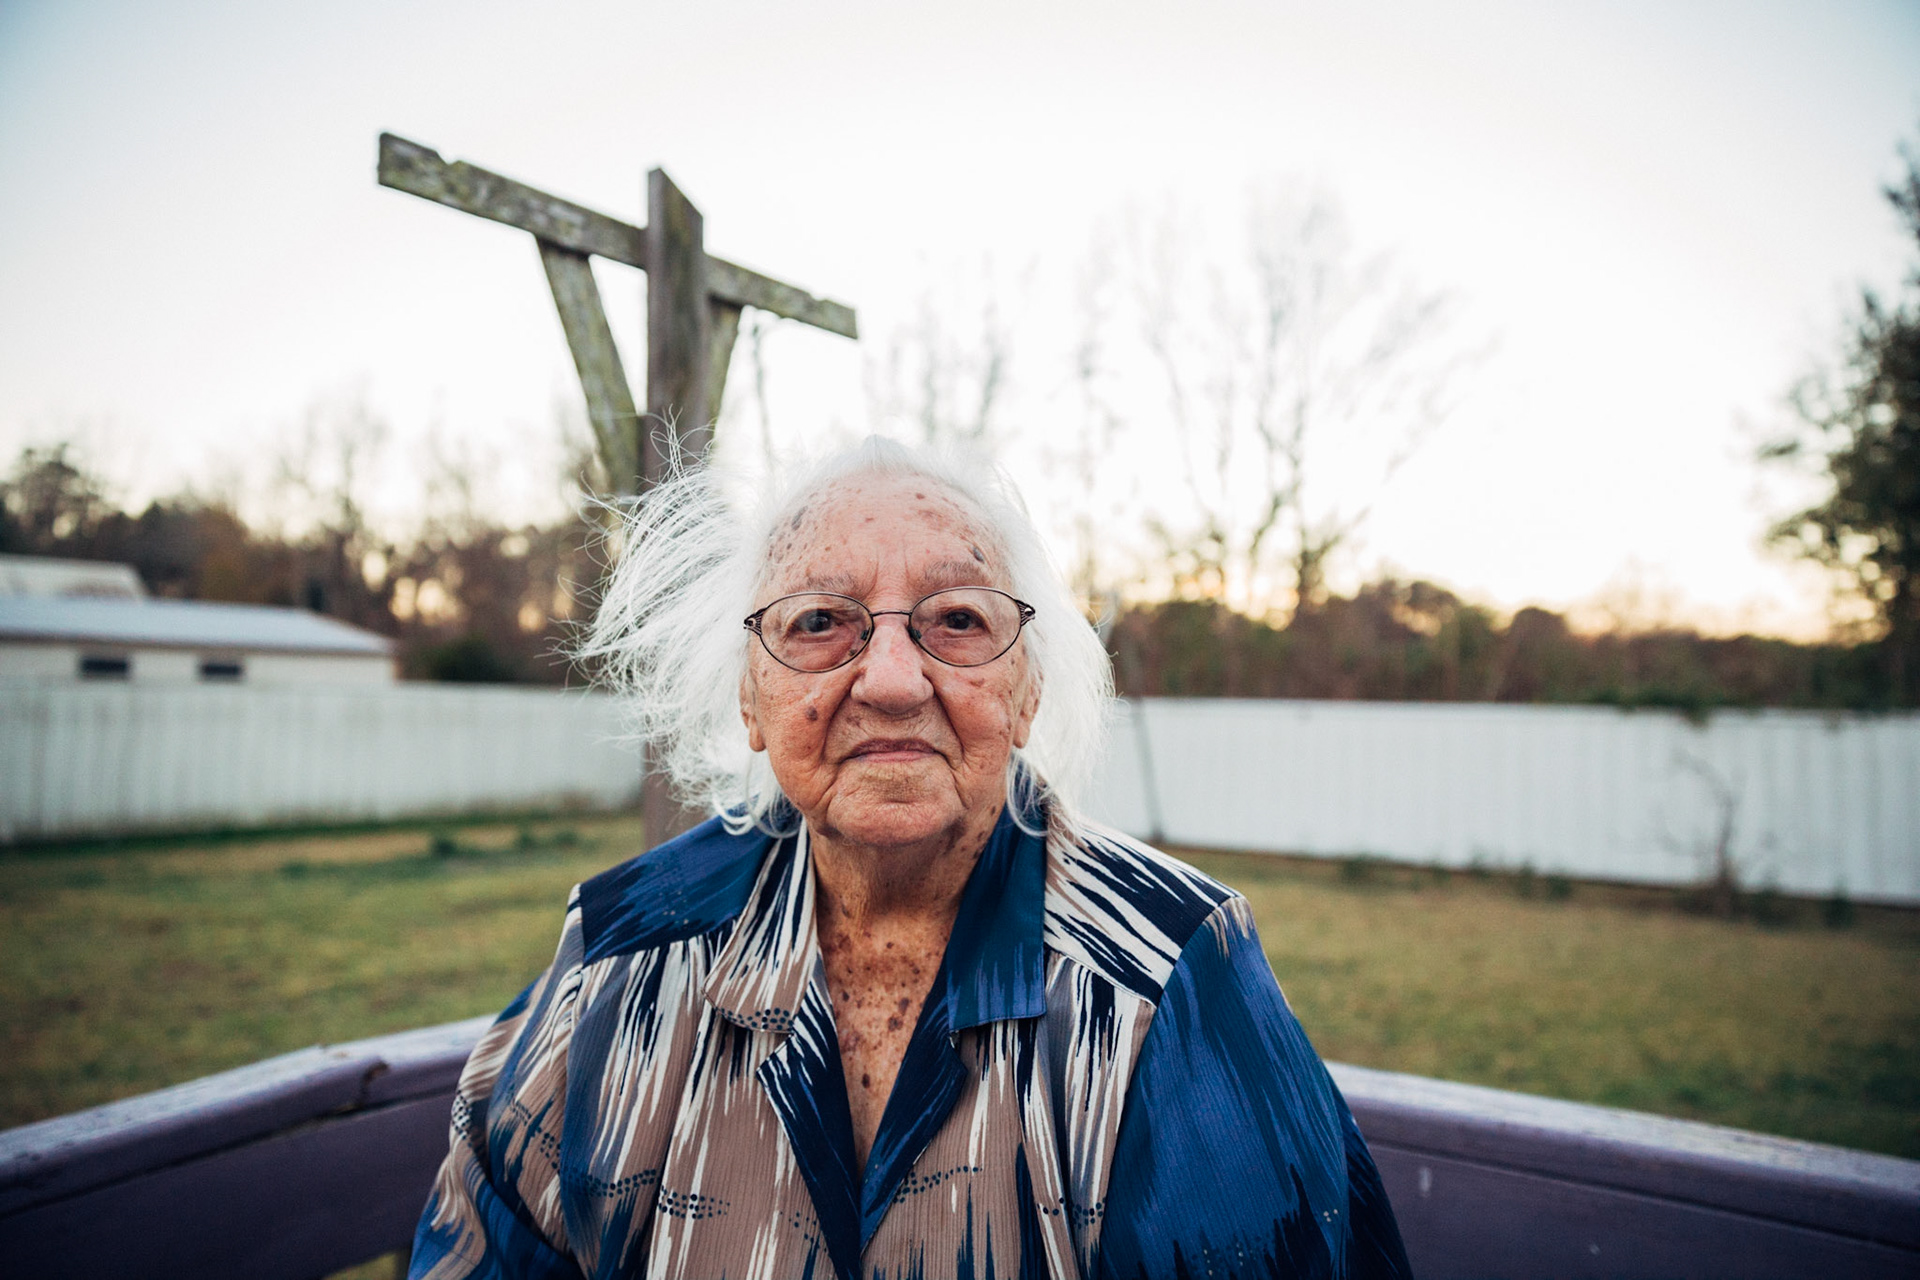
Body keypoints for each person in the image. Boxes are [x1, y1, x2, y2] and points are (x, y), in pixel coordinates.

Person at [408, 438, 1410, 1280]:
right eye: (819, 620)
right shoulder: (624, 951)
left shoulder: (1168, 975)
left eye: (959, 618)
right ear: (750, 700)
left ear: (1025, 690)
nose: (890, 679)